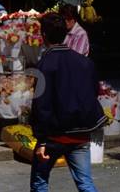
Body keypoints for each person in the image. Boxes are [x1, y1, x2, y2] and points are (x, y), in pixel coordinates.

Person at [30, 12, 107, 192]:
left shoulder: (45, 64)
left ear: (44, 35)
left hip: (54, 136)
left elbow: (42, 104)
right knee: (85, 183)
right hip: (81, 133)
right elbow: (94, 92)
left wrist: (41, 140)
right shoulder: (84, 62)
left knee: (40, 181)